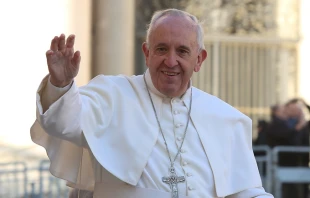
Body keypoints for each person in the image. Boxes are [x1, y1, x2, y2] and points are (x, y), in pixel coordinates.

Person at [30, 8, 274, 198]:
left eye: (182, 51)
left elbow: (245, 191)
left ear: (199, 59)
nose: (170, 61)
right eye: (161, 49)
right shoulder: (110, 94)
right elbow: (64, 122)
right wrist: (60, 84)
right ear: (146, 53)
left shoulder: (224, 118)